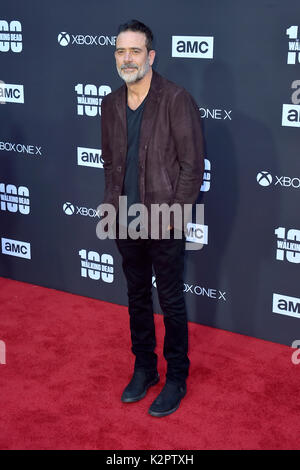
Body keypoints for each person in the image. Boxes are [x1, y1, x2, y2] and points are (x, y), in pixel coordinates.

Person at [100, 19, 204, 417]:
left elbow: (192, 166)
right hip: (124, 216)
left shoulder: (177, 99)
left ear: (151, 56)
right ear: (116, 57)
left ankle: (176, 375)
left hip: (164, 217)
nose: (128, 59)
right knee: (136, 294)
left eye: (135, 51)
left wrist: (175, 218)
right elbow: (110, 159)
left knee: (172, 298)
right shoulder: (110, 103)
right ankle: (145, 367)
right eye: (121, 51)